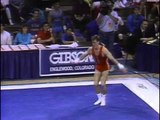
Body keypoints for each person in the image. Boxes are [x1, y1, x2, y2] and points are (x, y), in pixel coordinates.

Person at [73, 35, 127, 106]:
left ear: (98, 42)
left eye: (95, 42)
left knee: (103, 84)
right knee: (95, 84)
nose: (93, 44)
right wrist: (78, 60)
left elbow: (111, 58)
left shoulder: (103, 49)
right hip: (98, 67)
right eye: (92, 43)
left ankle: (104, 99)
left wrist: (119, 65)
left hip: (105, 67)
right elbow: (84, 55)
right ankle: (99, 99)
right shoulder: (90, 49)